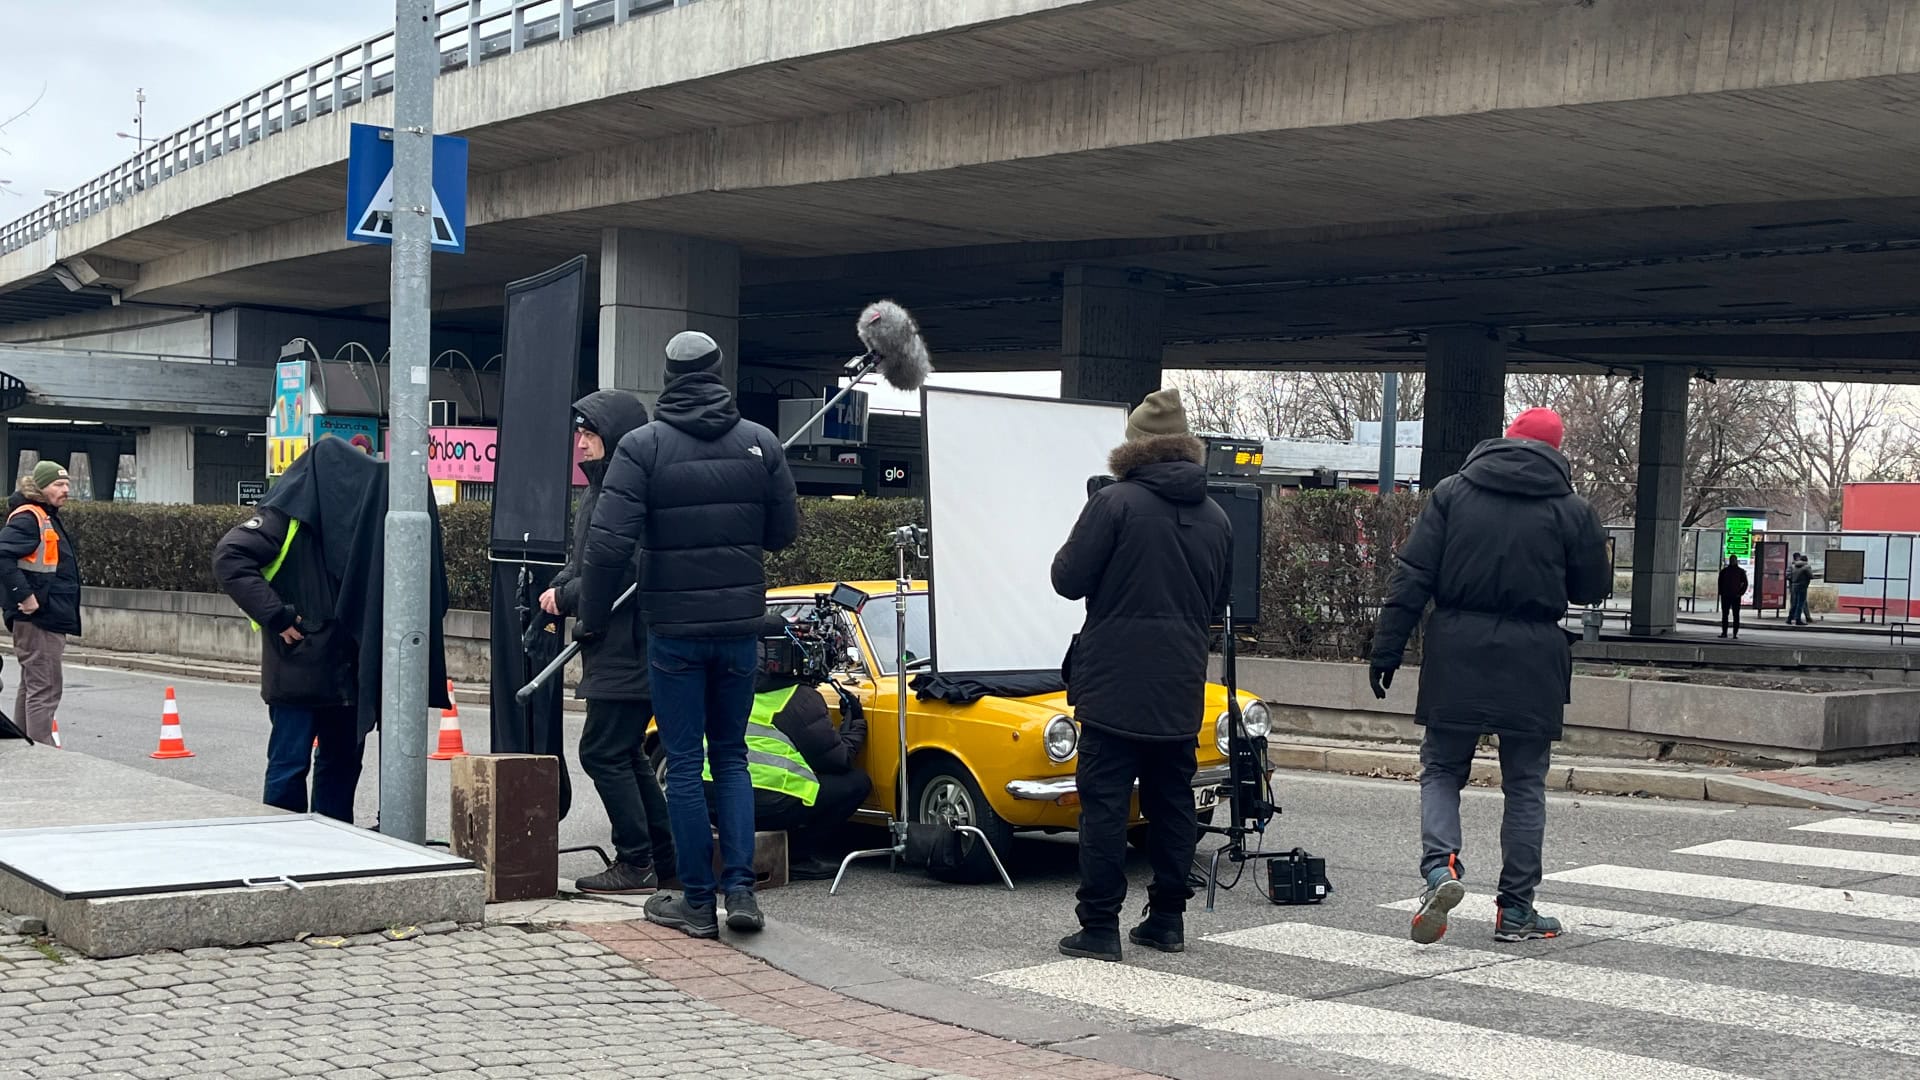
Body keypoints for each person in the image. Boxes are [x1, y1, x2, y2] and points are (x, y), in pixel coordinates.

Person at [578, 331, 799, 939]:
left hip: (673, 632)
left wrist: (591, 618)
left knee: (682, 762)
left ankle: (698, 903)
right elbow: (782, 533)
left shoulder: (643, 447)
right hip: (738, 629)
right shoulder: (760, 442)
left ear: (668, 376)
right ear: (718, 371)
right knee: (731, 756)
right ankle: (742, 893)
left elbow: (608, 546)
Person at [1369, 407, 1609, 945]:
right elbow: (1590, 589)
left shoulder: (1453, 493)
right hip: (1534, 658)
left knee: (1441, 769)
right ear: (1556, 451)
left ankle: (1441, 868)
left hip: (1457, 649)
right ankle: (1516, 910)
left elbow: (1413, 575)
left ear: (1506, 439)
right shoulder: (1573, 509)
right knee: (1524, 786)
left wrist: (1387, 648)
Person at [1049, 388, 1232, 963]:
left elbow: (1067, 579)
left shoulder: (1114, 504)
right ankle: (1168, 920)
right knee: (1173, 803)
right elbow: (1219, 601)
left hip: (1113, 683)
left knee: (1104, 806)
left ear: (1135, 447)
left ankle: (1100, 926)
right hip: (1180, 682)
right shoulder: (1218, 516)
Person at [542, 389, 676, 895]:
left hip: (630, 645)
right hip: (617, 645)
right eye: (578, 432)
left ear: (614, 436)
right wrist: (562, 585)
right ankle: (665, 857)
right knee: (624, 750)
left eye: (589, 433)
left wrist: (567, 596)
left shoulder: (628, 491)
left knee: (601, 751)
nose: (579, 442)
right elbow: (587, 560)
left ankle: (637, 860)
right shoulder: (601, 489)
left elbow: (624, 570)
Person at [213, 499, 362, 819]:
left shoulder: (362, 512)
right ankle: (284, 840)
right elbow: (230, 557)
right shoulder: (285, 519)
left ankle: (335, 841)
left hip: (347, 673)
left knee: (340, 768)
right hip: (298, 668)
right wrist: (276, 615)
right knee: (290, 769)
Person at [707, 614, 871, 881]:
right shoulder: (796, 697)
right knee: (856, 783)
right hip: (768, 803)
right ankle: (798, 855)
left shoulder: (719, 685)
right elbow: (837, 760)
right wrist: (856, 724)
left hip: (712, 799)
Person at [0, 461, 82, 747]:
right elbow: (2, 556)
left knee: (33, 684)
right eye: (58, 484)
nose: (66, 489)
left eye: (67, 483)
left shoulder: (43, 515)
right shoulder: (29, 517)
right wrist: (24, 596)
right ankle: (42, 753)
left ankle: (22, 747)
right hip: (39, 617)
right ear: (40, 487)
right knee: (45, 686)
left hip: (44, 615)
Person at [1718, 556, 1749, 639]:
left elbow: (1745, 584)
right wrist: (1740, 593)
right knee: (1730, 615)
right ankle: (1728, 633)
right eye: (1732, 560)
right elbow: (1720, 583)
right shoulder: (1739, 571)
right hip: (1731, 595)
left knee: (1731, 615)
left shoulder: (1725, 571)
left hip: (1732, 596)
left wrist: (1740, 593)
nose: (1732, 561)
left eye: (1733, 560)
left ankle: (1731, 633)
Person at [1788, 553, 1814, 626]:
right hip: (1802, 586)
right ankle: (1798, 619)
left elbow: (1790, 575)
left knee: (1794, 603)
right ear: (1806, 560)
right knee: (1800, 603)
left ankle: (1789, 618)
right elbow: (1811, 576)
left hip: (1794, 586)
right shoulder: (1806, 567)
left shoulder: (1794, 566)